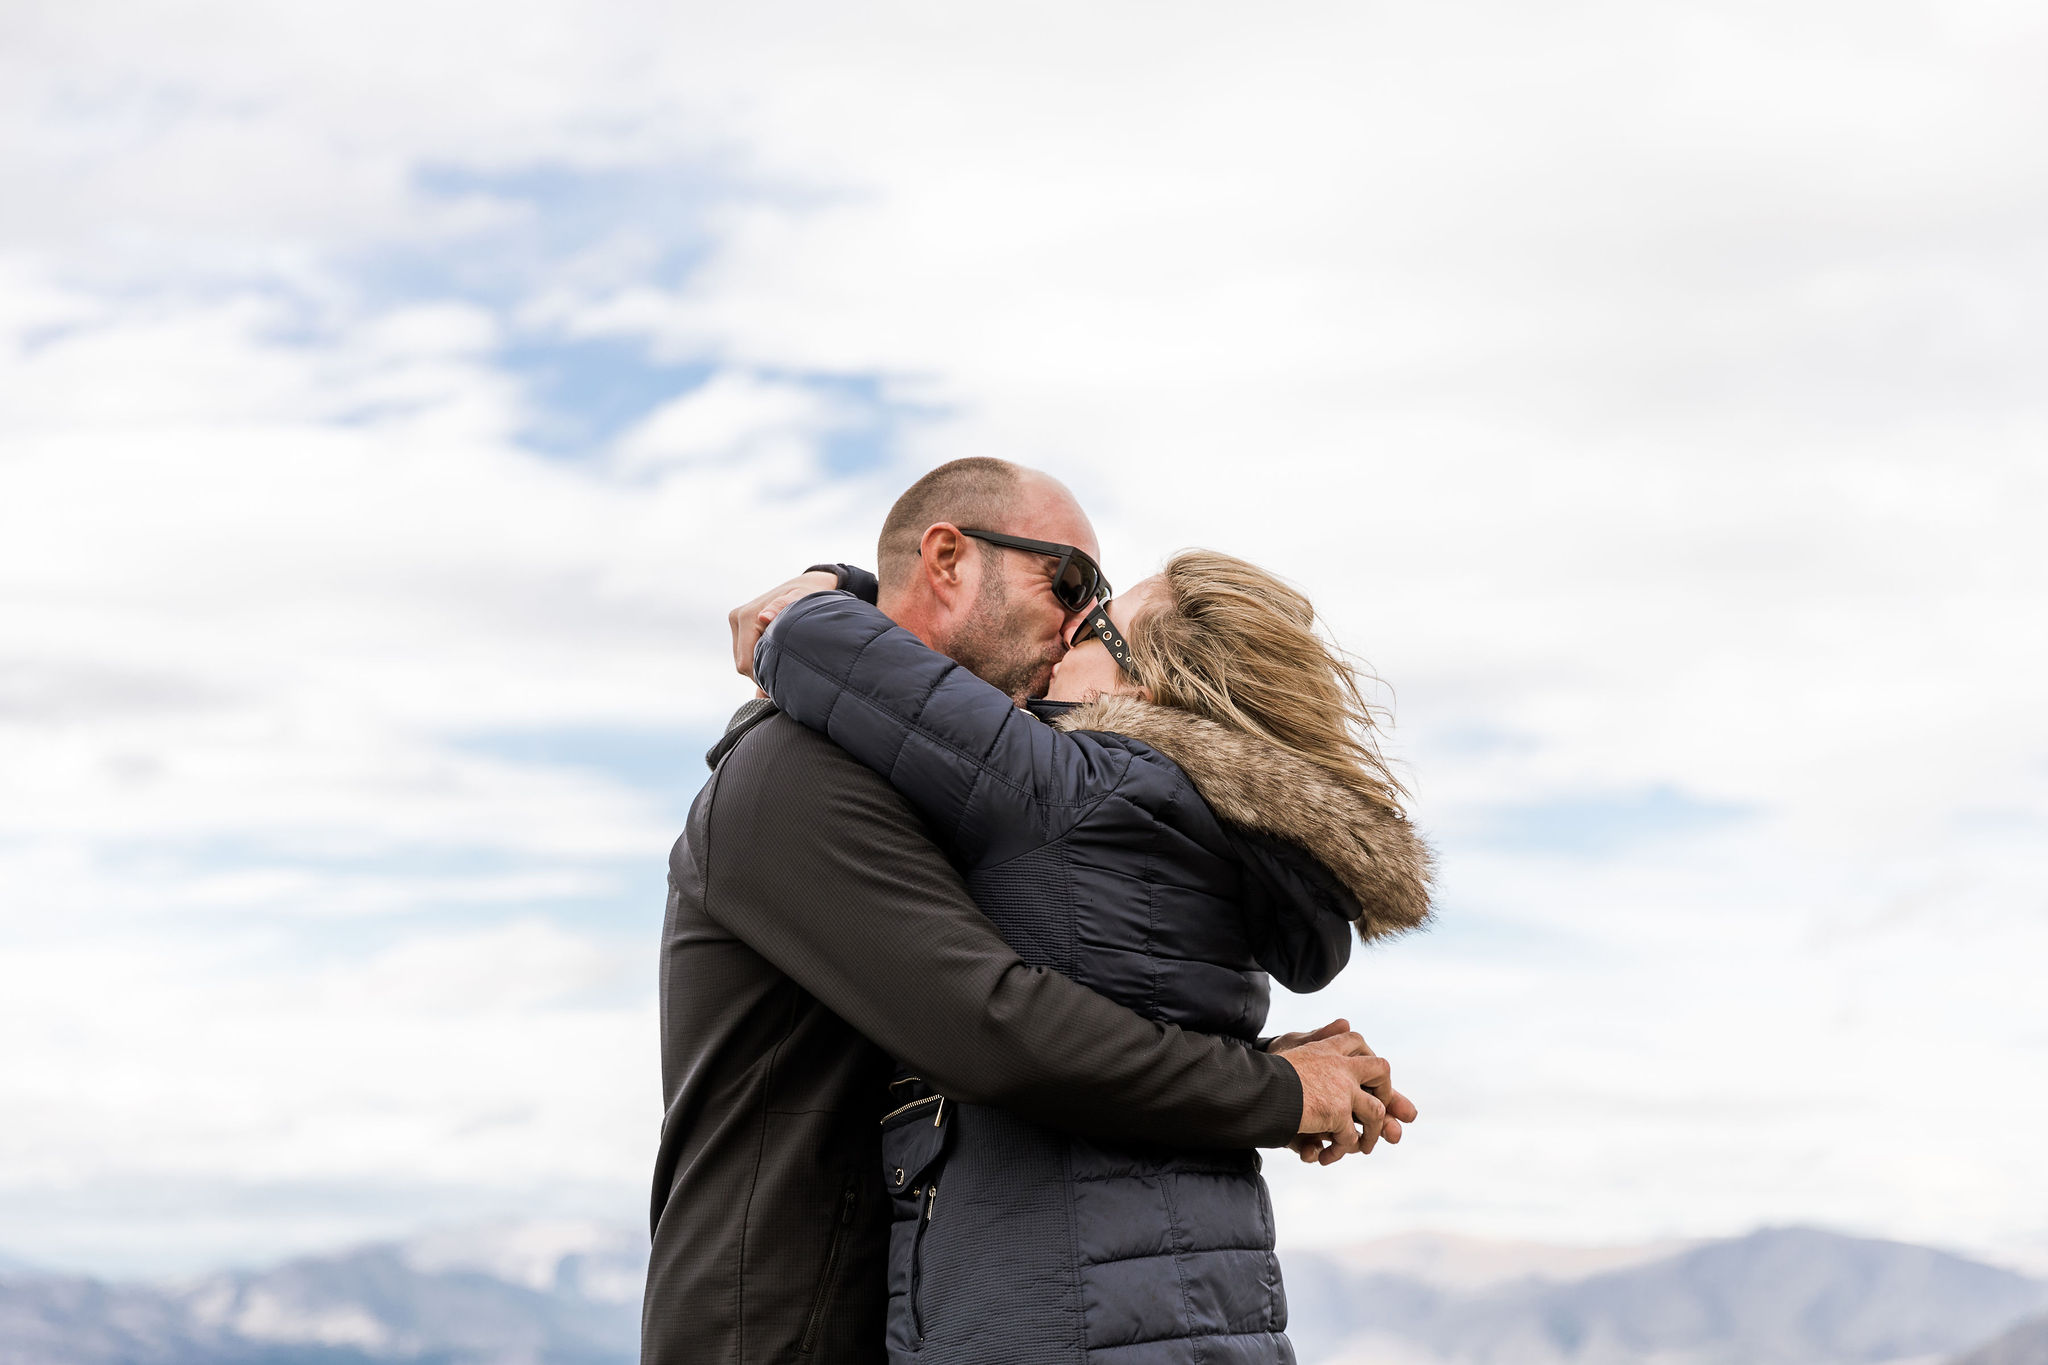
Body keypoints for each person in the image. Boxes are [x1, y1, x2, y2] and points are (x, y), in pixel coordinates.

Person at [642, 459, 1413, 1365]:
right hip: (776, 1332)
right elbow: (994, 1027)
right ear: (949, 559)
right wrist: (1273, 1090)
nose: (1080, 620)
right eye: (1071, 582)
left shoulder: (989, 799)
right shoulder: (797, 770)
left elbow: (1079, 993)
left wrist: (1243, 1056)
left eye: (1099, 602)